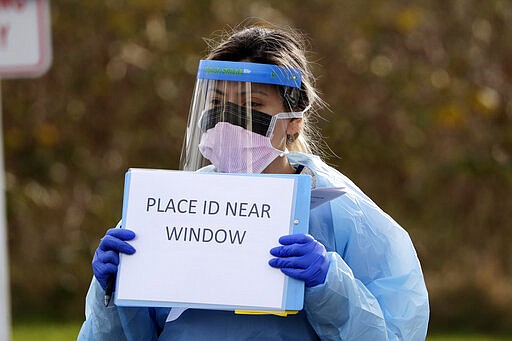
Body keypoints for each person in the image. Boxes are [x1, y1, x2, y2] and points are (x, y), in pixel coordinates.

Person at [78, 23, 429, 340]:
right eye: (216, 102)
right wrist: (111, 290)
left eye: (252, 104)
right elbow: (119, 336)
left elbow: (391, 332)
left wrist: (328, 283)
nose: (229, 118)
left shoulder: (343, 215)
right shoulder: (174, 207)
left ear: (294, 121)